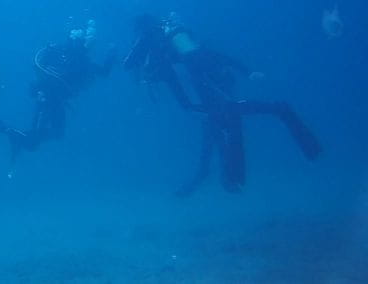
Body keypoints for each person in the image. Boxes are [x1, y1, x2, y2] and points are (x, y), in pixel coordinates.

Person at [125, 14, 321, 196]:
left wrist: (244, 71)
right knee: (216, 125)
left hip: (207, 93)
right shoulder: (165, 49)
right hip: (205, 94)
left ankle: (277, 110)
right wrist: (245, 70)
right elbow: (212, 57)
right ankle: (219, 176)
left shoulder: (164, 48)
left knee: (223, 118)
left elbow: (136, 66)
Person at [0, 21, 115, 162]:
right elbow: (103, 72)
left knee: (42, 137)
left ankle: (6, 130)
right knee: (39, 138)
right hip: (50, 98)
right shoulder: (81, 61)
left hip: (49, 96)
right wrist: (111, 54)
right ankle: (2, 128)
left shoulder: (65, 54)